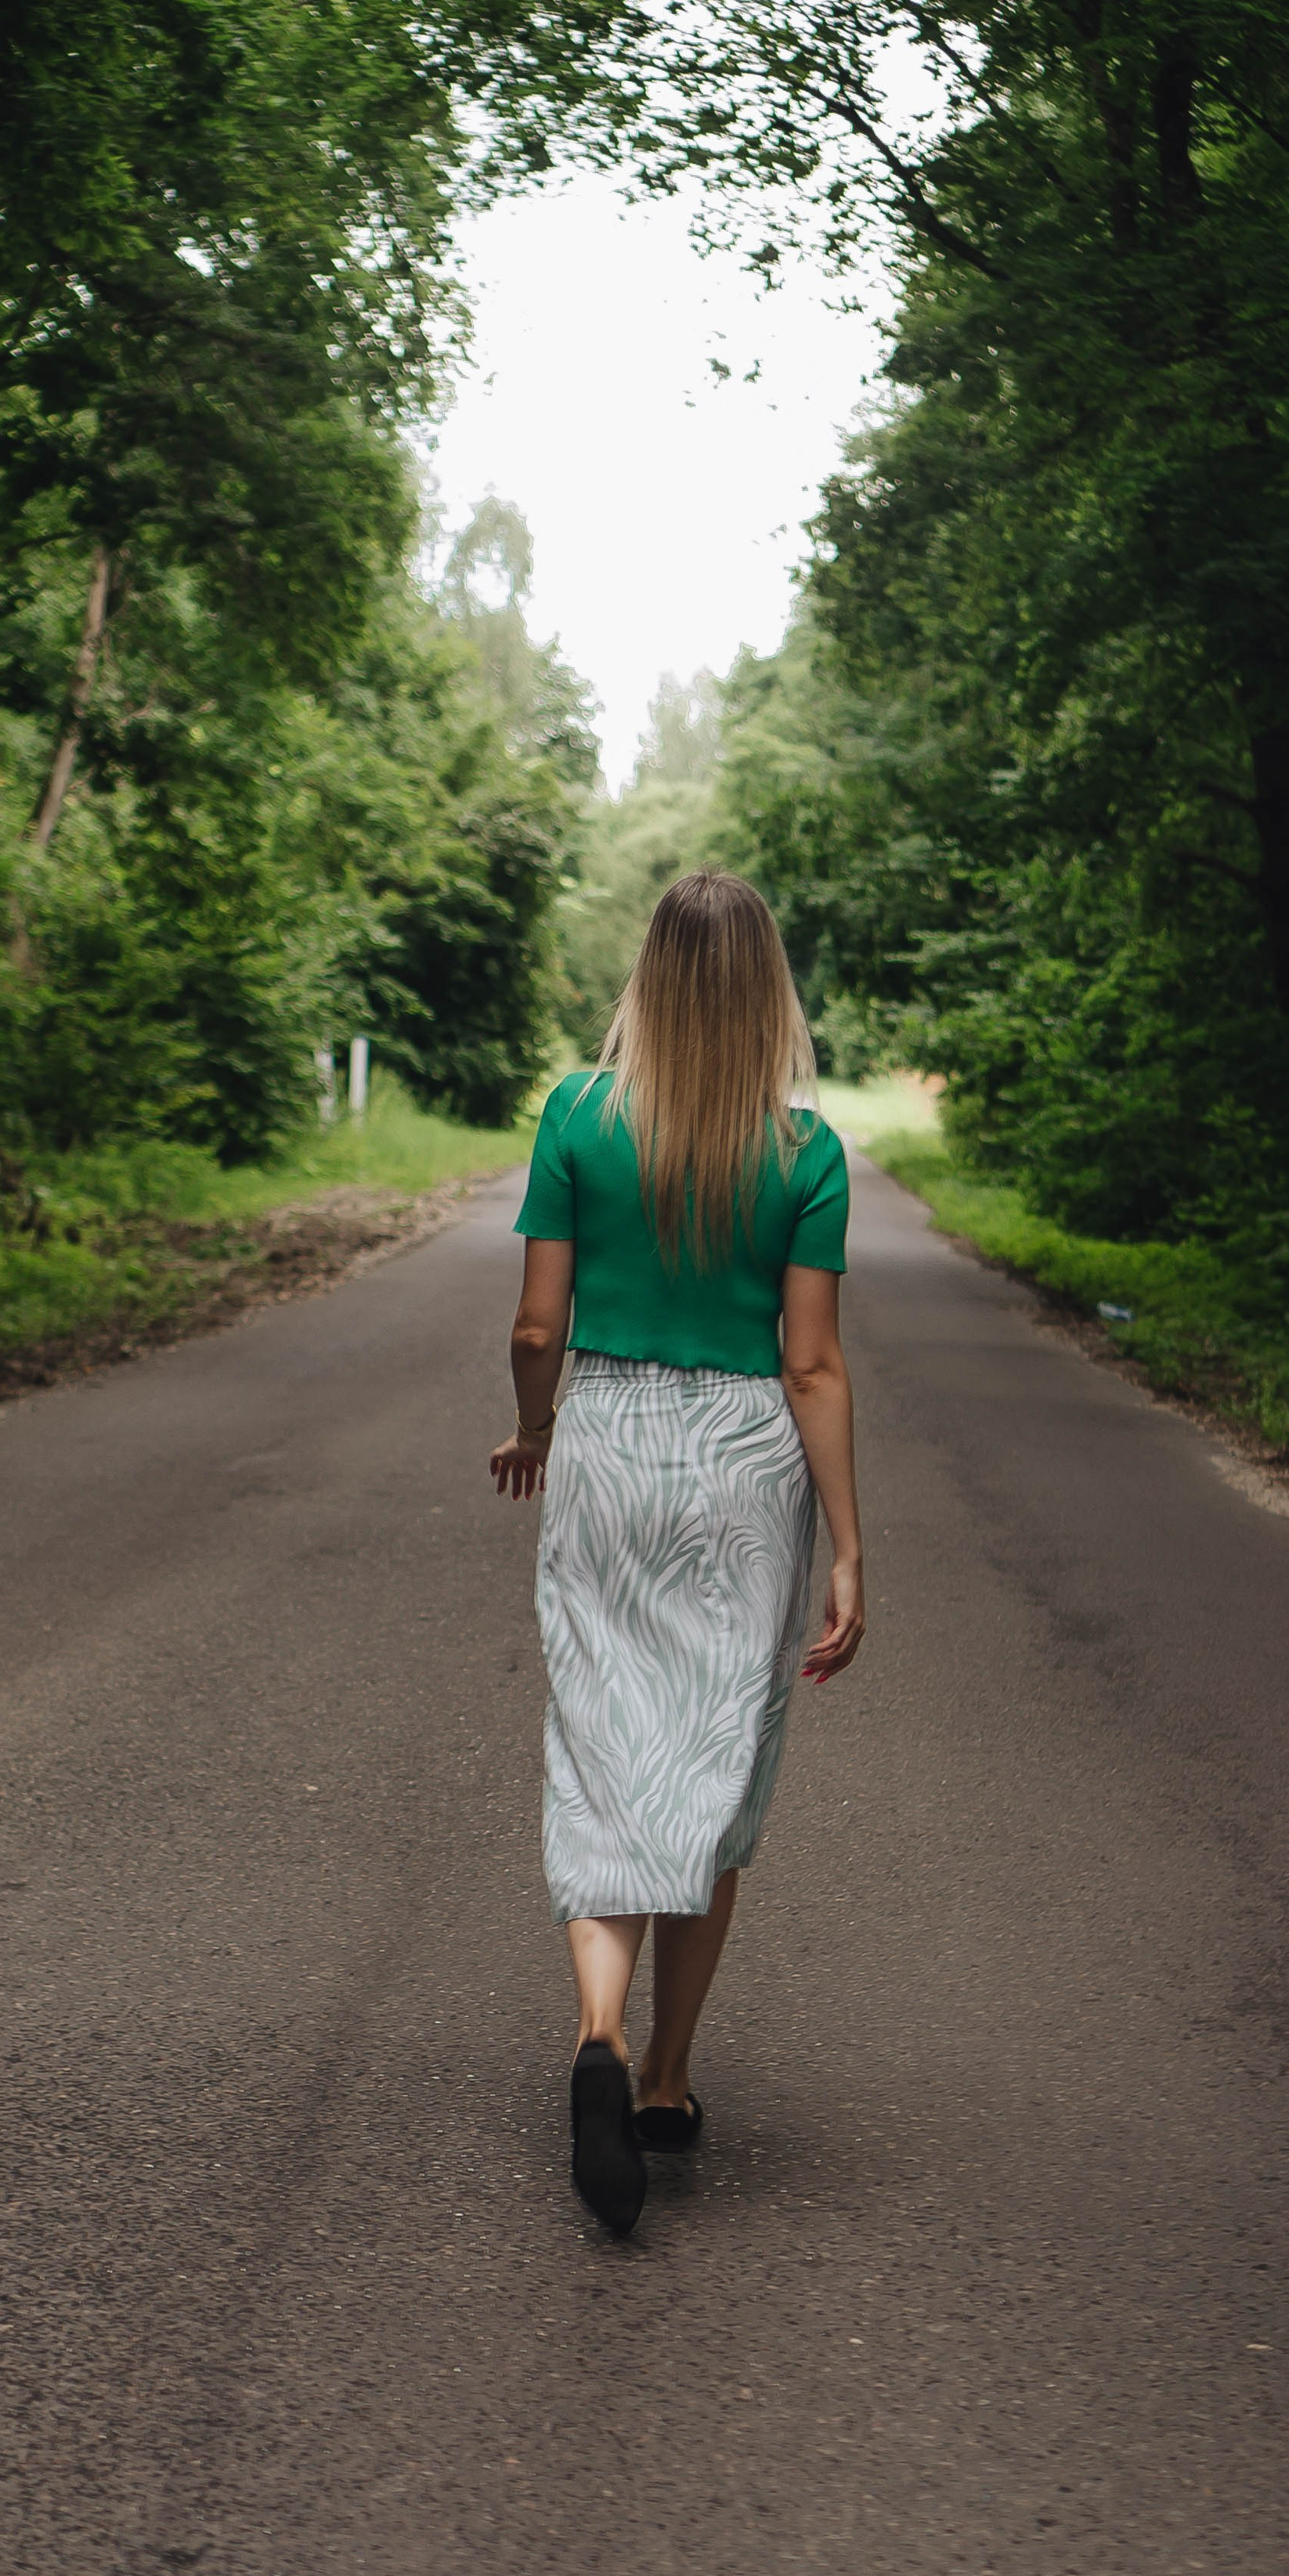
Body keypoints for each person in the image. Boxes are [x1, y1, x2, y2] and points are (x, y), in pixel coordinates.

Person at [490, 871, 865, 2236]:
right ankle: (665, 2078)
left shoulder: (578, 1119)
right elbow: (812, 1364)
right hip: (749, 1462)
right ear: (770, 986)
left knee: (600, 1737)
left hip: (611, 1442)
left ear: (647, 973)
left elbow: (538, 1328)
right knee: (714, 1760)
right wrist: (848, 1546)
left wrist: (536, 1428)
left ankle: (595, 2029)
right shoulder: (806, 1149)